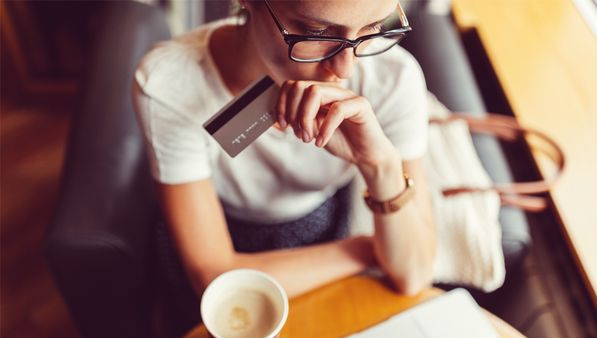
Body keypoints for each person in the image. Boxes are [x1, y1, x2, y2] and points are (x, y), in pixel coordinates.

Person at [132, 0, 436, 332]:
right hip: (223, 227)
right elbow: (214, 277)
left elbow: (413, 274)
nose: (345, 70)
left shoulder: (392, 80)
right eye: (315, 31)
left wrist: (379, 164)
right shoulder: (170, 85)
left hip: (323, 224)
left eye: (373, 28)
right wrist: (364, 250)